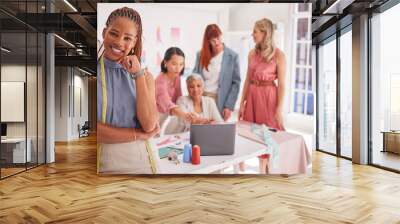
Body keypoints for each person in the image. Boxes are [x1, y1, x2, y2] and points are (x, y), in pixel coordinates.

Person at [97, 7, 159, 174]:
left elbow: (149, 125)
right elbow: (95, 131)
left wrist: (138, 75)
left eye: (127, 38)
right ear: (104, 32)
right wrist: (136, 135)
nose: (119, 42)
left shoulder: (145, 77)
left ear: (134, 42)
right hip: (101, 164)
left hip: (142, 162)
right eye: (114, 34)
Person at [238, 18, 286, 174]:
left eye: (255, 31)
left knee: (268, 134)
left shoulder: (279, 55)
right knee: (252, 132)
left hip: (268, 97)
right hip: (252, 96)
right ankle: (260, 168)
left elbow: (283, 84)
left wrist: (279, 109)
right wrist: (241, 103)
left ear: (265, 33)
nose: (252, 34)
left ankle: (268, 168)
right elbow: (247, 79)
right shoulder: (252, 53)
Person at [193, 24, 241, 121]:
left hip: (219, 100)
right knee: (200, 131)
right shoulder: (200, 55)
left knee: (218, 131)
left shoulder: (232, 56)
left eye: (218, 37)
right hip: (201, 98)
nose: (217, 42)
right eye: (213, 40)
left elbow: (236, 83)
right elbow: (195, 76)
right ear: (208, 41)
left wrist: (229, 106)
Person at [155, 47, 196, 130]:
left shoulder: (176, 77)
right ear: (165, 62)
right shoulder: (160, 81)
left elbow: (179, 98)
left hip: (168, 115)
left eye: (181, 64)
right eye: (174, 64)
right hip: (156, 116)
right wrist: (185, 115)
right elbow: (168, 105)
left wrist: (187, 111)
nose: (178, 68)